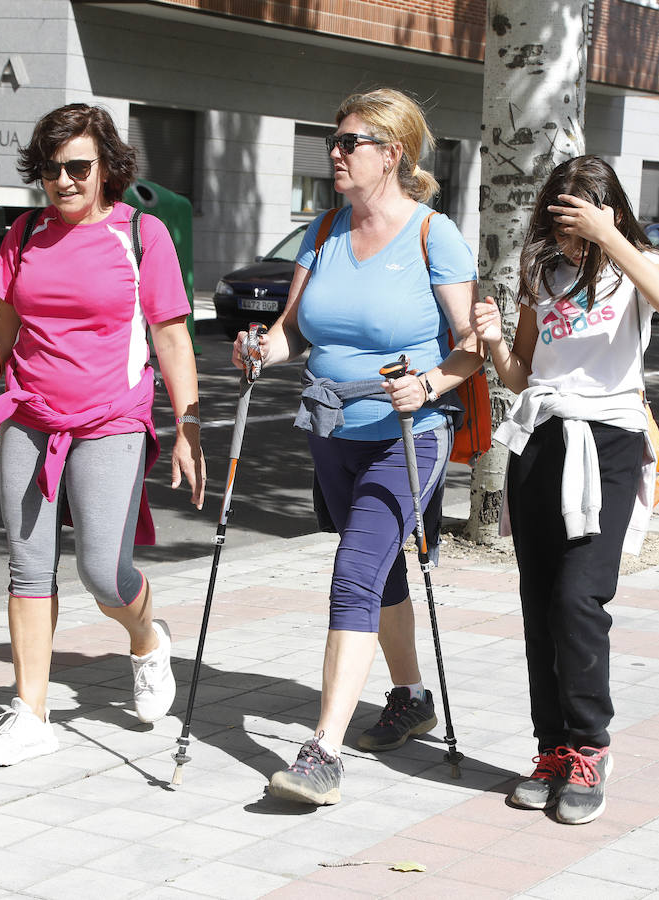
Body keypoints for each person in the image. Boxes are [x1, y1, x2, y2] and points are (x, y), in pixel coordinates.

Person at [232, 88, 482, 805]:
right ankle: (410, 697)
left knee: (352, 573)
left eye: (348, 144)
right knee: (379, 573)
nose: (333, 154)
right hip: (331, 431)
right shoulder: (322, 232)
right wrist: (258, 349)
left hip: (409, 436)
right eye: (332, 142)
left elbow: (473, 347)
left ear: (390, 154)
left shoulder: (435, 236)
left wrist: (431, 383)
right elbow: (292, 330)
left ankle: (321, 752)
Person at [0, 103, 206, 766]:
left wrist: (188, 425)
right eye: (51, 169)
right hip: (29, 417)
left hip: (111, 419)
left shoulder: (141, 235)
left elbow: (171, 337)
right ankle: (31, 715)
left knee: (101, 571)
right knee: (28, 564)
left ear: (106, 168)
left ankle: (146, 639)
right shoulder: (24, 234)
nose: (62, 181)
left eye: (77, 167)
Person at [471, 155, 659, 824]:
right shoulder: (541, 269)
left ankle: (591, 744)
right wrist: (490, 345)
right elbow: (523, 372)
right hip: (540, 439)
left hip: (611, 443)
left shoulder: (636, 260)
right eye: (558, 223)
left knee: (576, 597)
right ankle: (552, 748)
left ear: (607, 212)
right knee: (539, 603)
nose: (568, 239)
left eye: (578, 223)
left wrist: (608, 234)